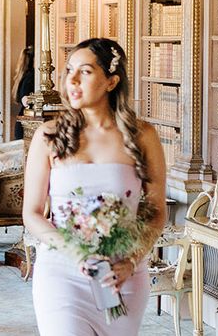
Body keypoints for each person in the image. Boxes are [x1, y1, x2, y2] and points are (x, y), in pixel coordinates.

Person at [23, 38, 166, 336]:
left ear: (111, 81)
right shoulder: (49, 136)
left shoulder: (143, 136)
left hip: (121, 277)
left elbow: (155, 212)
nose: (72, 80)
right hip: (62, 272)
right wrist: (76, 253)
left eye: (85, 72)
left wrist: (130, 260)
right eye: (69, 70)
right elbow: (32, 213)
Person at [11, 46, 35, 140]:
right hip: (25, 123)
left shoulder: (23, 76)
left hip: (22, 121)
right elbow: (25, 101)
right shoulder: (30, 76)